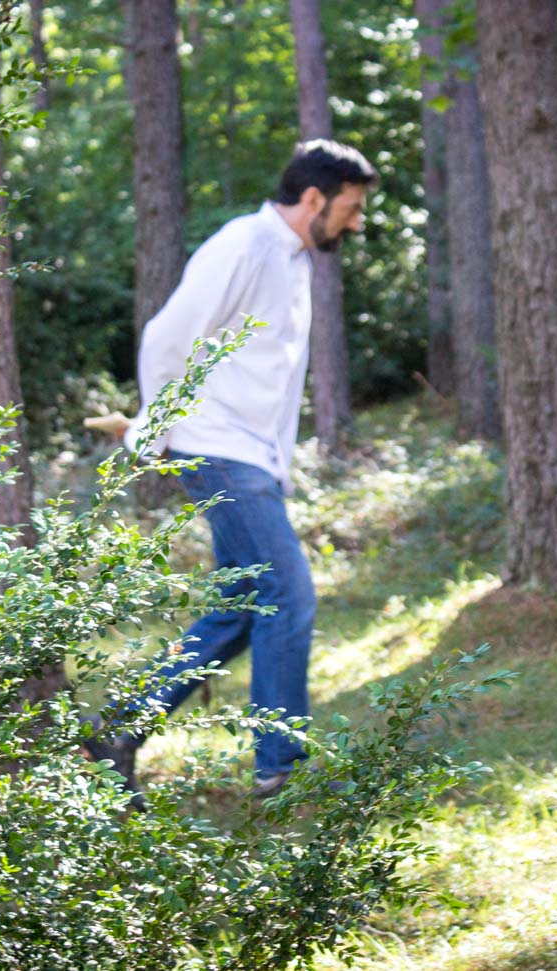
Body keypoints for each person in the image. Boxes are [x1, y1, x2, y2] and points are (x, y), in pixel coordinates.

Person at [88, 139, 376, 801]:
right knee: (289, 596)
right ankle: (280, 768)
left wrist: (276, 466)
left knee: (241, 611)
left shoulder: (292, 259)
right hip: (216, 446)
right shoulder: (244, 244)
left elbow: (265, 378)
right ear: (314, 198)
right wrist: (156, 431)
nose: (356, 222)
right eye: (351, 208)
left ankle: (120, 730)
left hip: (249, 457)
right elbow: (167, 336)